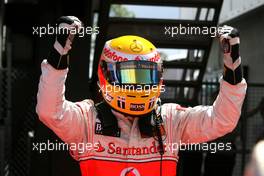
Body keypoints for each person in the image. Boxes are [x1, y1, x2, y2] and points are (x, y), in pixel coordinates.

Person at [36, 16, 247, 176]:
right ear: (106, 74)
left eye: (147, 75)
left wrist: (233, 65)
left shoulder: (171, 119)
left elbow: (222, 120)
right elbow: (49, 112)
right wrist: (58, 54)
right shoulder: (86, 120)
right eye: (129, 75)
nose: (138, 85)